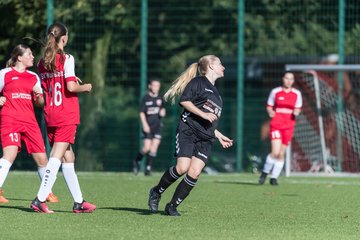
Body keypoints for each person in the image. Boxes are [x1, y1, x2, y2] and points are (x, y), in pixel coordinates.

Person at [147, 55, 233, 216]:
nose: (224, 67)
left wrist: (219, 135)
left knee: (194, 172)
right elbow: (185, 101)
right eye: (220, 64)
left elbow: (210, 122)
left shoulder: (217, 95)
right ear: (212, 66)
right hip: (188, 131)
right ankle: (156, 191)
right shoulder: (198, 82)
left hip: (206, 138)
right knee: (182, 168)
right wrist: (203, 114)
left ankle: (171, 206)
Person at [30, 22, 96, 213]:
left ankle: (79, 202)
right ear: (64, 38)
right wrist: (86, 87)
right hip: (66, 114)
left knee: (69, 157)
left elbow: (53, 84)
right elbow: (70, 87)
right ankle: (40, 199)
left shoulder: (42, 62)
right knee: (56, 157)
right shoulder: (67, 58)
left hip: (50, 114)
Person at [0, 44, 58, 203]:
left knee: (42, 160)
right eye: (29, 54)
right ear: (19, 57)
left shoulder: (33, 76)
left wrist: (39, 98)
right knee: (9, 155)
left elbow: (39, 102)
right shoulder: (4, 74)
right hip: (10, 119)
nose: (33, 57)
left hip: (30, 122)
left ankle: (47, 192)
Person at [259, 71, 302, 185]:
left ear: (293, 81)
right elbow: (269, 106)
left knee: (281, 153)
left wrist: (297, 111)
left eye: (291, 79)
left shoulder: (297, 94)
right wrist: (270, 112)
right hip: (277, 124)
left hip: (289, 126)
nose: (289, 81)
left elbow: (298, 107)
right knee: (275, 152)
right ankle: (264, 172)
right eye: (286, 78)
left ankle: (274, 178)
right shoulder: (275, 92)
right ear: (283, 79)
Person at [133, 79, 166, 176]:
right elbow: (141, 112)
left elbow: (163, 109)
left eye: (157, 86)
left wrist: (163, 112)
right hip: (148, 126)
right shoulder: (146, 98)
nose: (156, 88)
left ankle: (148, 169)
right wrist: (145, 125)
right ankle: (136, 161)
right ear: (150, 86)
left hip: (158, 126)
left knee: (154, 148)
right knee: (146, 148)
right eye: (154, 85)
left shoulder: (160, 98)